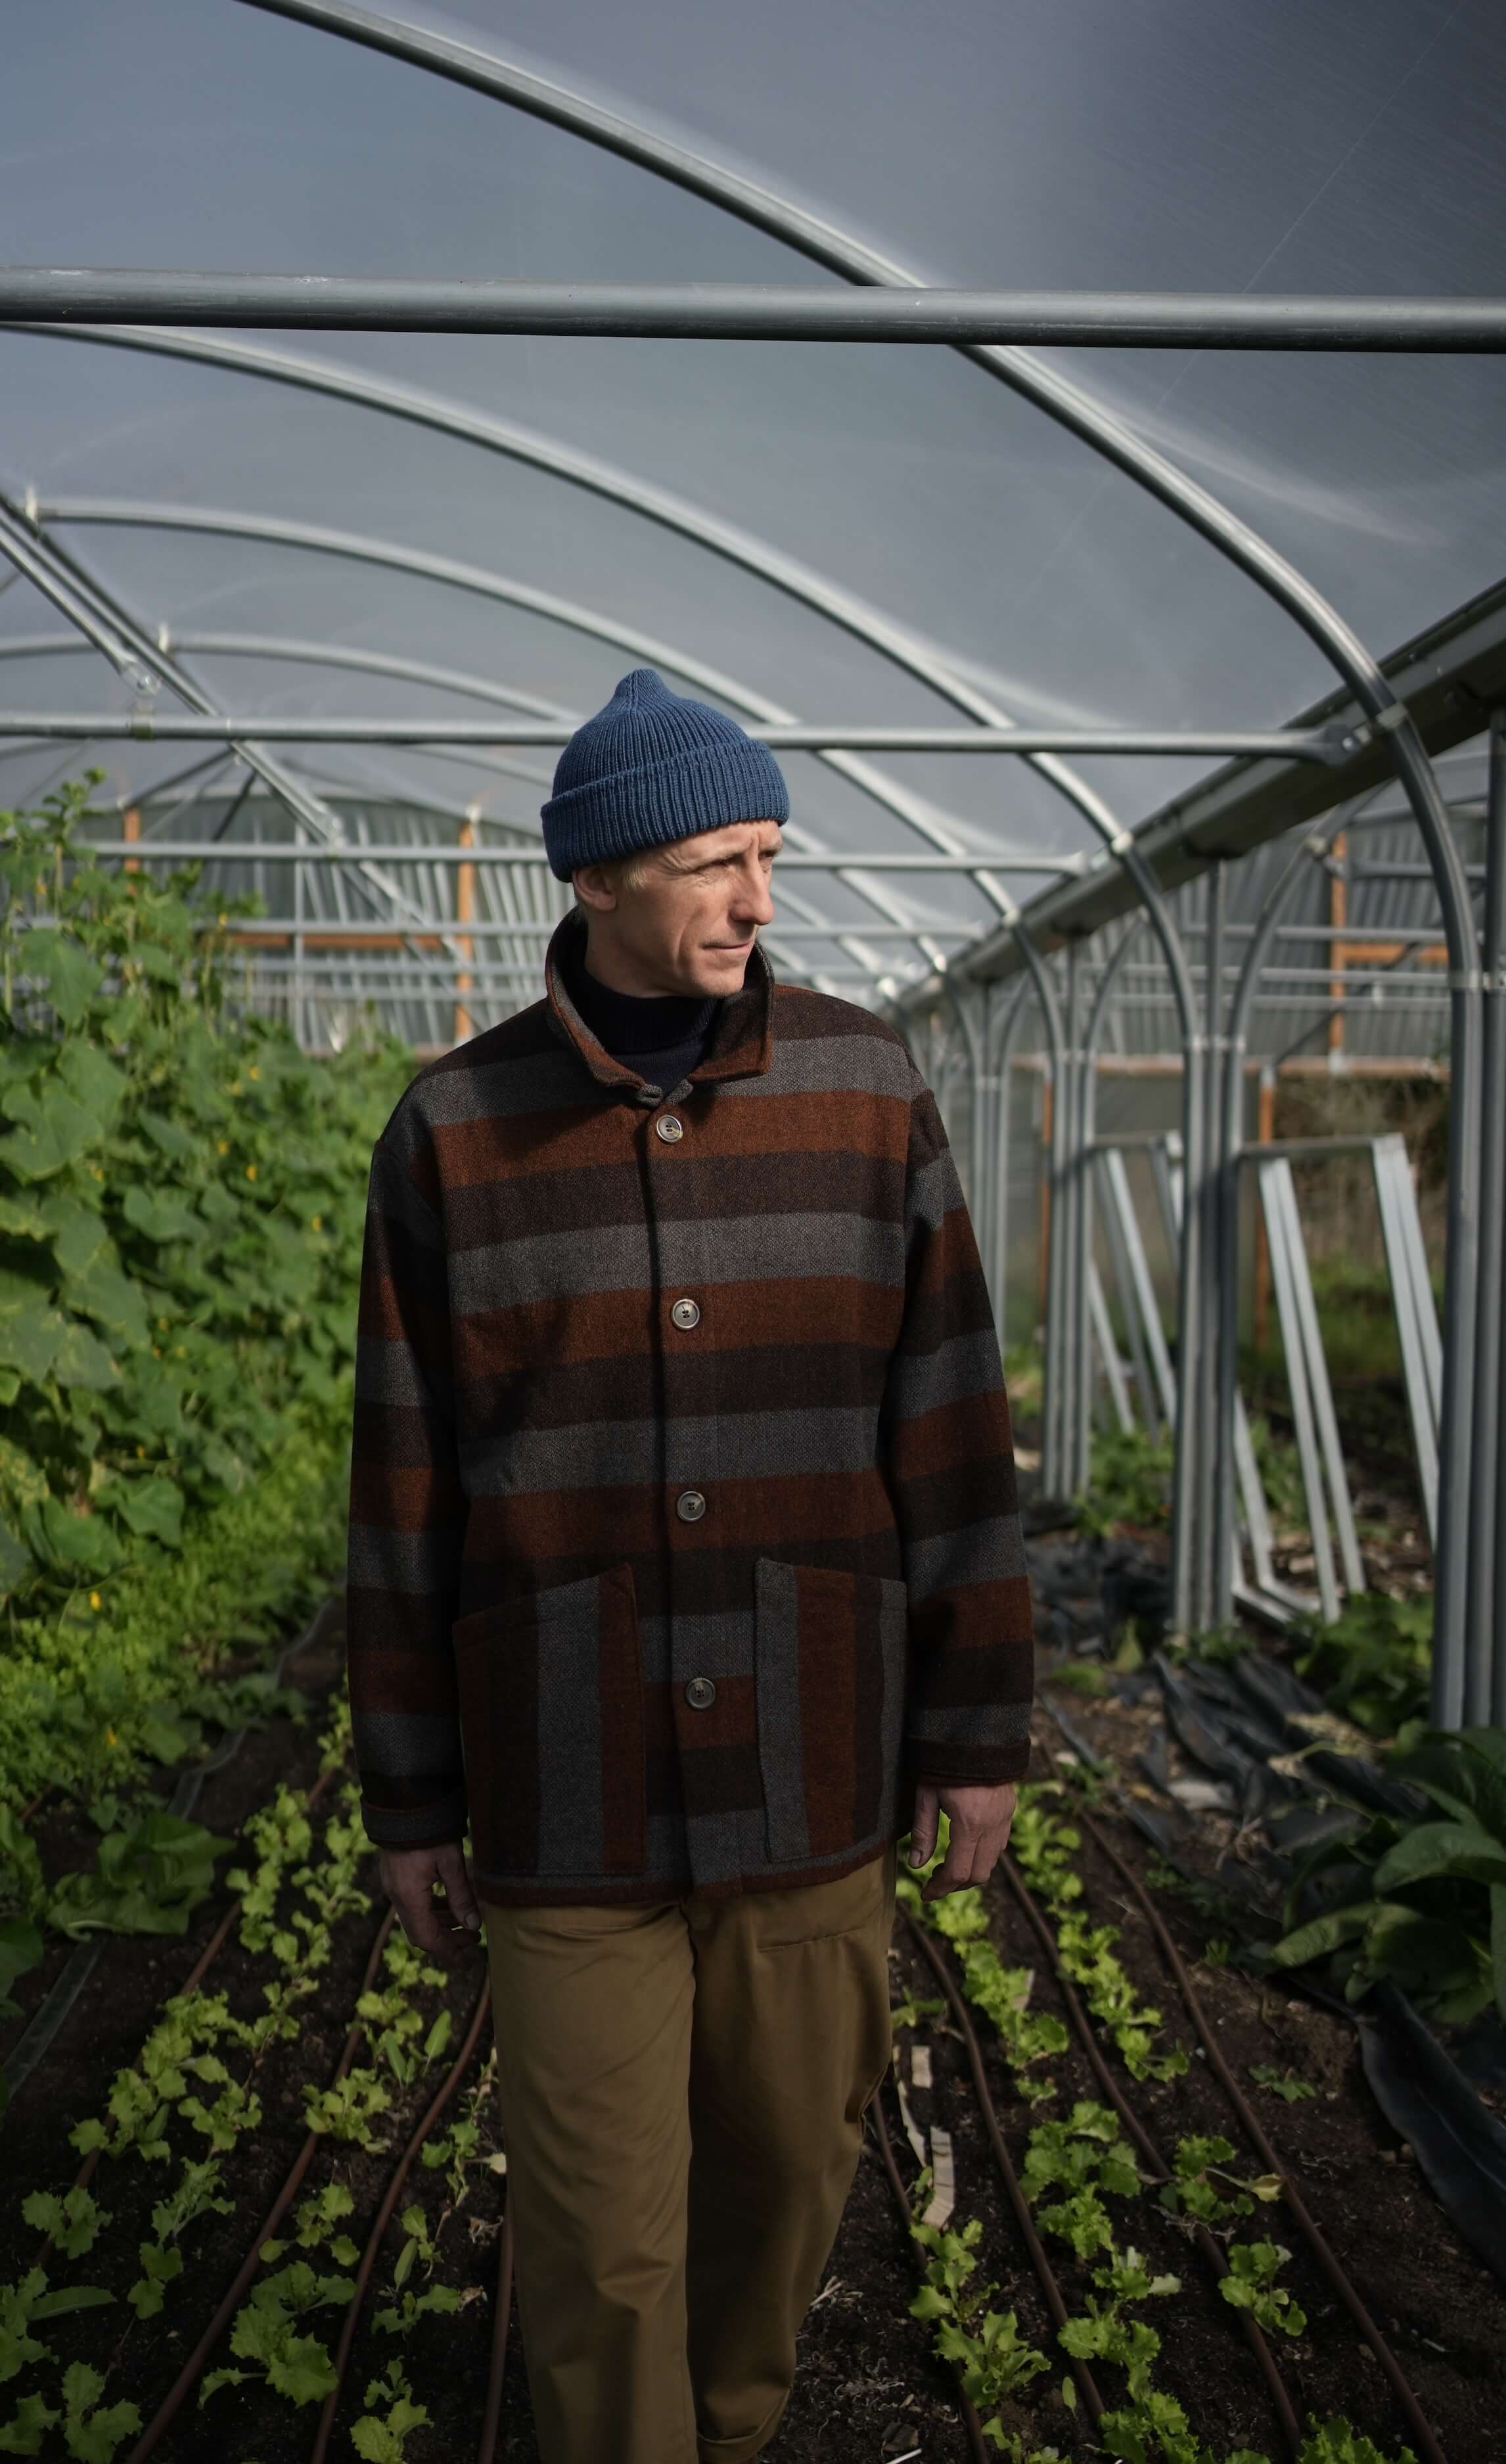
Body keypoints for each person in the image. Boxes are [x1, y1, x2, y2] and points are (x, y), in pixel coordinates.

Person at [346, 667, 1034, 2464]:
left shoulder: (863, 1089)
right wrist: (410, 1800)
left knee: (794, 2173)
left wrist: (975, 1730)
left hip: (812, 1754)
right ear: (596, 878)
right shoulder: (456, 1130)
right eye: (718, 862)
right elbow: (403, 1494)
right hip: (565, 1776)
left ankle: (729, 2434)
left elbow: (952, 1427)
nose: (757, 899)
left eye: (769, 858)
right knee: (598, 2245)